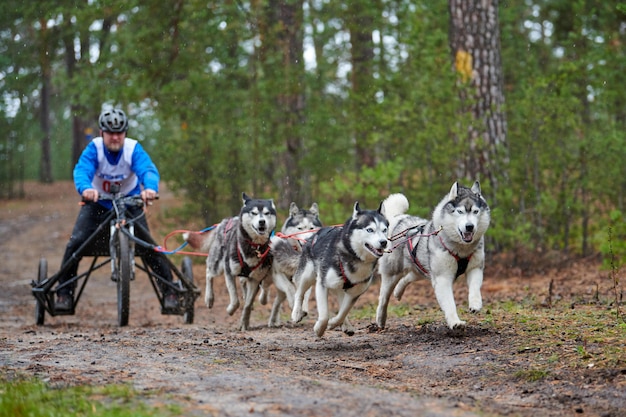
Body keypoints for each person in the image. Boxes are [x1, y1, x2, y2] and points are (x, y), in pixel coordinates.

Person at [55, 108, 179, 311]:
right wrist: (85, 188)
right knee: (75, 243)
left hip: (129, 203)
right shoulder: (94, 148)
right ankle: (64, 294)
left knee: (149, 246)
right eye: (110, 133)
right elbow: (82, 170)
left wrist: (149, 188)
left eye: (119, 133)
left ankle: (170, 292)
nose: (115, 137)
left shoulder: (133, 149)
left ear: (125, 133)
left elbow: (147, 170)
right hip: (98, 204)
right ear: (102, 132)